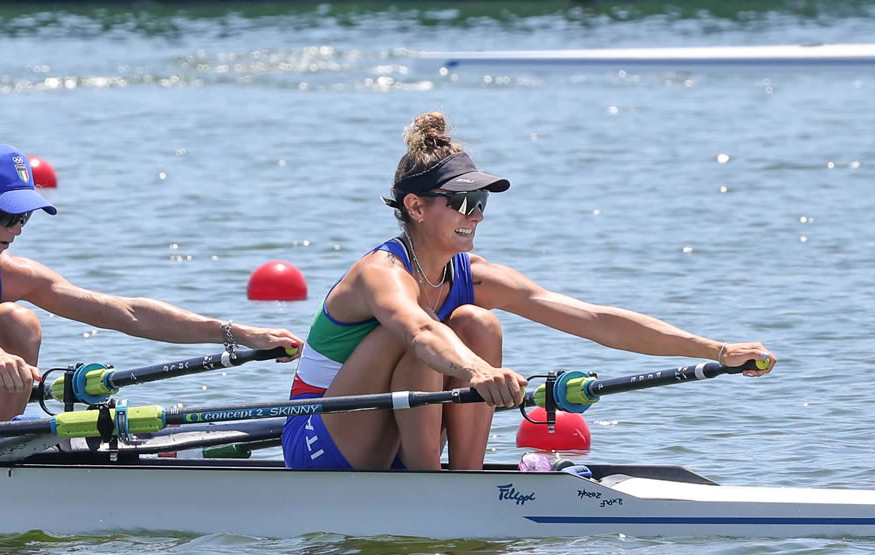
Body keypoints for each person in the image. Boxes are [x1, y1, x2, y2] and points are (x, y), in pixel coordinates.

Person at [282, 112, 775, 472]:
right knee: (415, 332)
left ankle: (464, 482)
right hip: (318, 436)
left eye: (480, 202)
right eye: (460, 202)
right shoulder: (381, 272)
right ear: (415, 205)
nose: (475, 215)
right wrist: (478, 371)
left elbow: (593, 319)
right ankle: (430, 488)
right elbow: (417, 330)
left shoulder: (471, 273)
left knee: (479, 322)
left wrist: (716, 350)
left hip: (388, 433)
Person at [0, 140, 302, 462]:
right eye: (6, 217)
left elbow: (119, 310)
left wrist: (235, 334)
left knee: (19, 321)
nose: (16, 229)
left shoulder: (1, 271)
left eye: (25, 218)